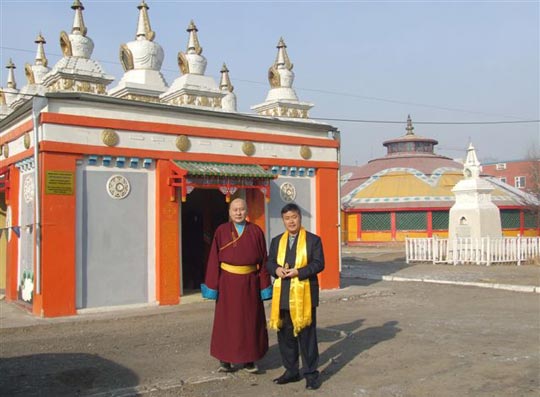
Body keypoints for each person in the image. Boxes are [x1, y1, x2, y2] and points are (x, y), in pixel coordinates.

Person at [201, 198, 272, 373]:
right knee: (227, 322)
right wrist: (213, 286)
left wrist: (264, 286)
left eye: (241, 209)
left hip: (250, 283)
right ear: (229, 212)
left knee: (250, 321)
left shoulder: (256, 231)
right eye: (235, 210)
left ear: (247, 211)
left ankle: (249, 359)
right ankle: (225, 359)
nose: (238, 212)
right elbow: (213, 260)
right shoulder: (222, 231)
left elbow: (263, 261)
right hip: (227, 284)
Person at [266, 203, 325, 390]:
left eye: (294, 217)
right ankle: (291, 371)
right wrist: (276, 269)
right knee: (285, 336)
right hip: (282, 295)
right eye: (287, 218)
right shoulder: (276, 241)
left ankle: (311, 374)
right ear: (283, 220)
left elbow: (319, 264)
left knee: (306, 336)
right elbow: (269, 262)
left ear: (300, 218)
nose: (291, 221)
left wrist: (298, 272)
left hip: (304, 295)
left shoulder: (313, 240)